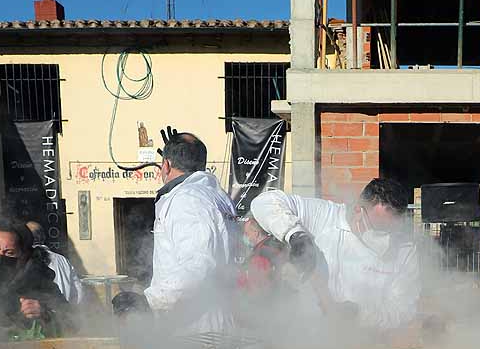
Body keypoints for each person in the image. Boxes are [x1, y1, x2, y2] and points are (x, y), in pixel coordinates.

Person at [249, 177, 421, 332]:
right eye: (379, 228)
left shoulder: (404, 250)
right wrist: (295, 235)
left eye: (391, 229)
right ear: (358, 211)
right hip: (306, 335)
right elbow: (264, 202)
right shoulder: (325, 216)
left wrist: (360, 314)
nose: (387, 236)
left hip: (364, 341)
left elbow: (403, 309)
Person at [143, 131, 237, 334]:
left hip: (193, 330)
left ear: (165, 165)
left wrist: (148, 301)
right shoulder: (217, 197)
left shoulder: (187, 199)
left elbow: (198, 265)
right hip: (219, 321)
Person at [0, 221, 70, 341]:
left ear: (25, 255)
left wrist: (45, 314)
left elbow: (72, 324)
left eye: (10, 253)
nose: (0, 259)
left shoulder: (41, 283)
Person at [26, 220, 85, 305]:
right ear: (43, 237)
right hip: (65, 313)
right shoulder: (62, 260)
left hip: (45, 314)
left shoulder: (28, 260)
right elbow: (79, 291)